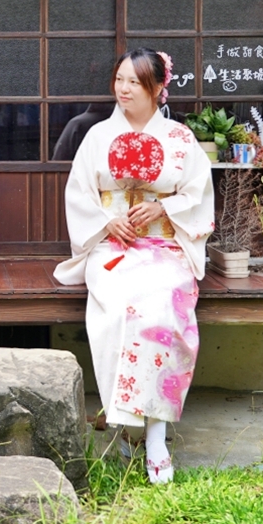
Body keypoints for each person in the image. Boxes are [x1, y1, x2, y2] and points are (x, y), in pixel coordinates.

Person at [54, 48, 214, 483]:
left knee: (162, 305)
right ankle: (127, 422)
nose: (122, 89)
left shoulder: (179, 139)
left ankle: (156, 433)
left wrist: (162, 208)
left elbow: (198, 194)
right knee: (123, 306)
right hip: (113, 246)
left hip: (165, 247)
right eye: (119, 79)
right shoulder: (96, 136)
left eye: (134, 82)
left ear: (158, 89)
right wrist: (108, 221)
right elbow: (79, 194)